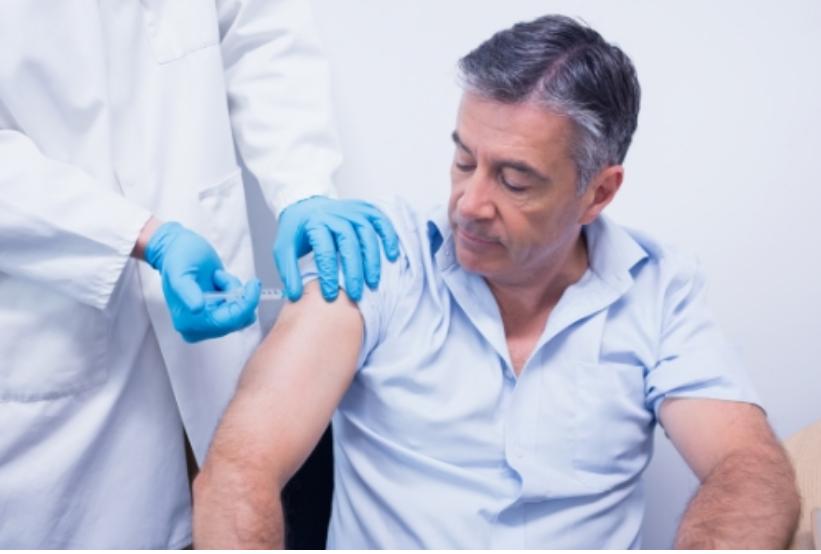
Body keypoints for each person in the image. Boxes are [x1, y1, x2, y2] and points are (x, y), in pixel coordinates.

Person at [193, 14, 801, 549]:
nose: (469, 204)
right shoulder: (379, 259)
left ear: (598, 193)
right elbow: (241, 465)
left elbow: (748, 468)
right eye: (464, 160)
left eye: (514, 181)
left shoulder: (658, 291)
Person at [0, 0, 396, 549]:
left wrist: (303, 186)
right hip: (52, 305)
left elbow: (262, 31)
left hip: (207, 347)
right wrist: (140, 235)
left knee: (228, 492)